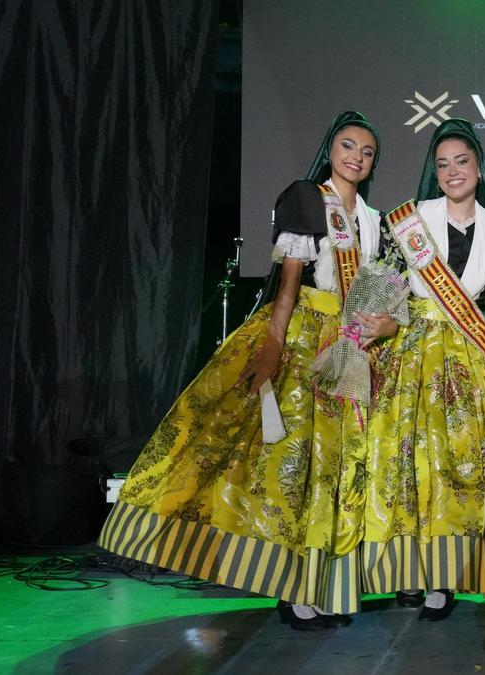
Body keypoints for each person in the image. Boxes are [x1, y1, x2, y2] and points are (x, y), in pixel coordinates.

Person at [99, 112, 383, 631]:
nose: (356, 157)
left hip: (347, 348)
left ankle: (324, 588)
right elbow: (289, 284)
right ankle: (293, 590)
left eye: (366, 152)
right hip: (303, 339)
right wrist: (273, 349)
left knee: (332, 472)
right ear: (330, 149)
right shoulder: (307, 196)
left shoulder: (371, 216)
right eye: (348, 145)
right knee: (290, 467)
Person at [350, 119, 485, 622]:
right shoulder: (409, 220)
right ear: (433, 174)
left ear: (478, 168)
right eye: (442, 164)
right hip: (412, 352)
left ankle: (445, 575)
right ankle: (404, 573)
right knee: (402, 463)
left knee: (458, 465)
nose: (452, 171)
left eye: (462, 161)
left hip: (466, 356)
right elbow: (387, 287)